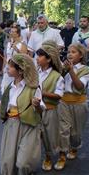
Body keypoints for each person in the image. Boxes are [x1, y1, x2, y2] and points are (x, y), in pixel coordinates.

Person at [0, 53, 44, 175]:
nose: (7, 69)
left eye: (10, 67)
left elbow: (41, 112)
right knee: (8, 161)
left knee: (23, 163)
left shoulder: (34, 88)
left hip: (29, 127)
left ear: (20, 70)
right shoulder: (10, 88)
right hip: (11, 126)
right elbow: (1, 108)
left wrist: (37, 106)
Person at [54, 43, 89, 170]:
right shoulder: (63, 67)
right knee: (63, 130)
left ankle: (74, 147)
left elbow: (80, 86)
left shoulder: (85, 70)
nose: (70, 54)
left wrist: (71, 71)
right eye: (69, 51)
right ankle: (62, 156)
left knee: (75, 134)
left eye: (74, 52)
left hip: (79, 104)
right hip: (63, 102)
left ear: (81, 55)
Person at [36, 41, 64, 171]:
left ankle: (55, 156)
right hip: (36, 109)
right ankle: (43, 157)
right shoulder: (35, 72)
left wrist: (43, 93)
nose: (37, 58)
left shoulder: (56, 76)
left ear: (48, 59)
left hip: (50, 110)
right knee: (39, 135)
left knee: (51, 135)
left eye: (40, 56)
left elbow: (59, 95)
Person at [1, 25, 27, 93]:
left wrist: (17, 49)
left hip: (16, 68)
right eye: (10, 31)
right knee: (5, 85)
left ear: (18, 33)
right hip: (7, 67)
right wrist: (3, 68)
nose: (11, 33)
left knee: (14, 86)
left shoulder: (22, 43)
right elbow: (6, 56)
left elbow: (24, 56)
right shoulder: (9, 42)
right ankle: (4, 100)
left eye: (13, 32)